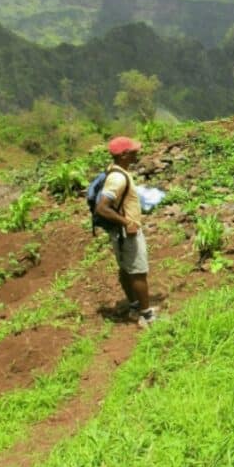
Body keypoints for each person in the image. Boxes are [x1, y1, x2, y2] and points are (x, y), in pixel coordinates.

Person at [95, 136, 157, 327]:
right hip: (126, 233)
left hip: (119, 233)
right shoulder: (118, 178)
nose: (137, 152)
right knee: (138, 272)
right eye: (133, 151)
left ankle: (134, 306)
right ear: (124, 155)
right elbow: (102, 207)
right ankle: (146, 316)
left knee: (126, 269)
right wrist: (126, 222)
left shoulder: (115, 171)